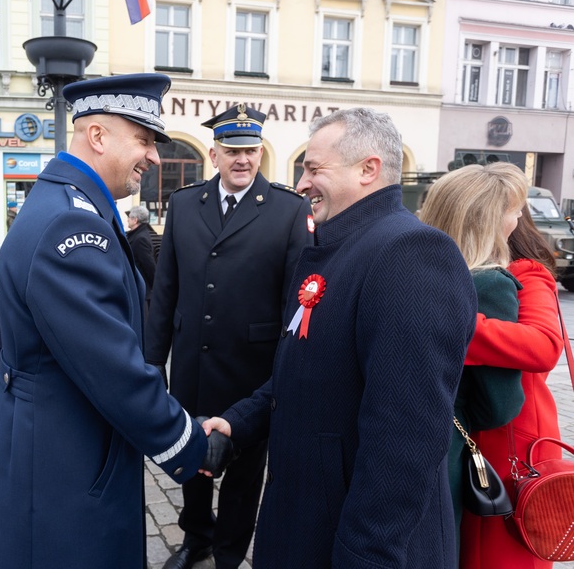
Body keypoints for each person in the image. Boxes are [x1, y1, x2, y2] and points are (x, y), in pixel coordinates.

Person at [201, 107, 478, 568]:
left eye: (314, 169)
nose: (302, 184)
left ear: (368, 169)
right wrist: (239, 422)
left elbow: (404, 439)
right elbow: (305, 370)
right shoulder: (339, 247)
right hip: (308, 522)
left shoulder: (410, 253)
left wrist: (366, 557)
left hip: (356, 544)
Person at [0, 74, 231, 569]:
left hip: (56, 448)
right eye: (143, 139)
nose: (154, 156)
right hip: (64, 467)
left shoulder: (72, 205)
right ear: (97, 136)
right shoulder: (70, 223)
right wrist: (190, 443)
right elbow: (112, 367)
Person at [146, 104, 313, 569]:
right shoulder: (184, 204)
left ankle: (229, 553)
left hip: (251, 370)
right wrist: (153, 360)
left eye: (251, 150)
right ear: (214, 154)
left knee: (244, 473)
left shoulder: (288, 210)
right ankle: (197, 537)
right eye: (233, 150)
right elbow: (165, 288)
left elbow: (295, 304)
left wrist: (285, 372)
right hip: (193, 366)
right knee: (191, 458)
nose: (243, 159)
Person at [418, 163, 531, 549]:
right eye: (514, 210)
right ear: (490, 221)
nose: (519, 218)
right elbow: (500, 404)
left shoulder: (415, 271)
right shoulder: (490, 284)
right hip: (445, 441)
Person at [459, 204, 564, 569]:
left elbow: (544, 345)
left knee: (503, 554)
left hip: (515, 440)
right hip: (485, 431)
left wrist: (451, 324)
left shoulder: (527, 272)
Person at [125, 205, 156, 306]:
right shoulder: (137, 235)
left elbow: (149, 266)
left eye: (129, 217)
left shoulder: (140, 239)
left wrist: (155, 287)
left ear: (135, 220)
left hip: (142, 290)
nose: (127, 220)